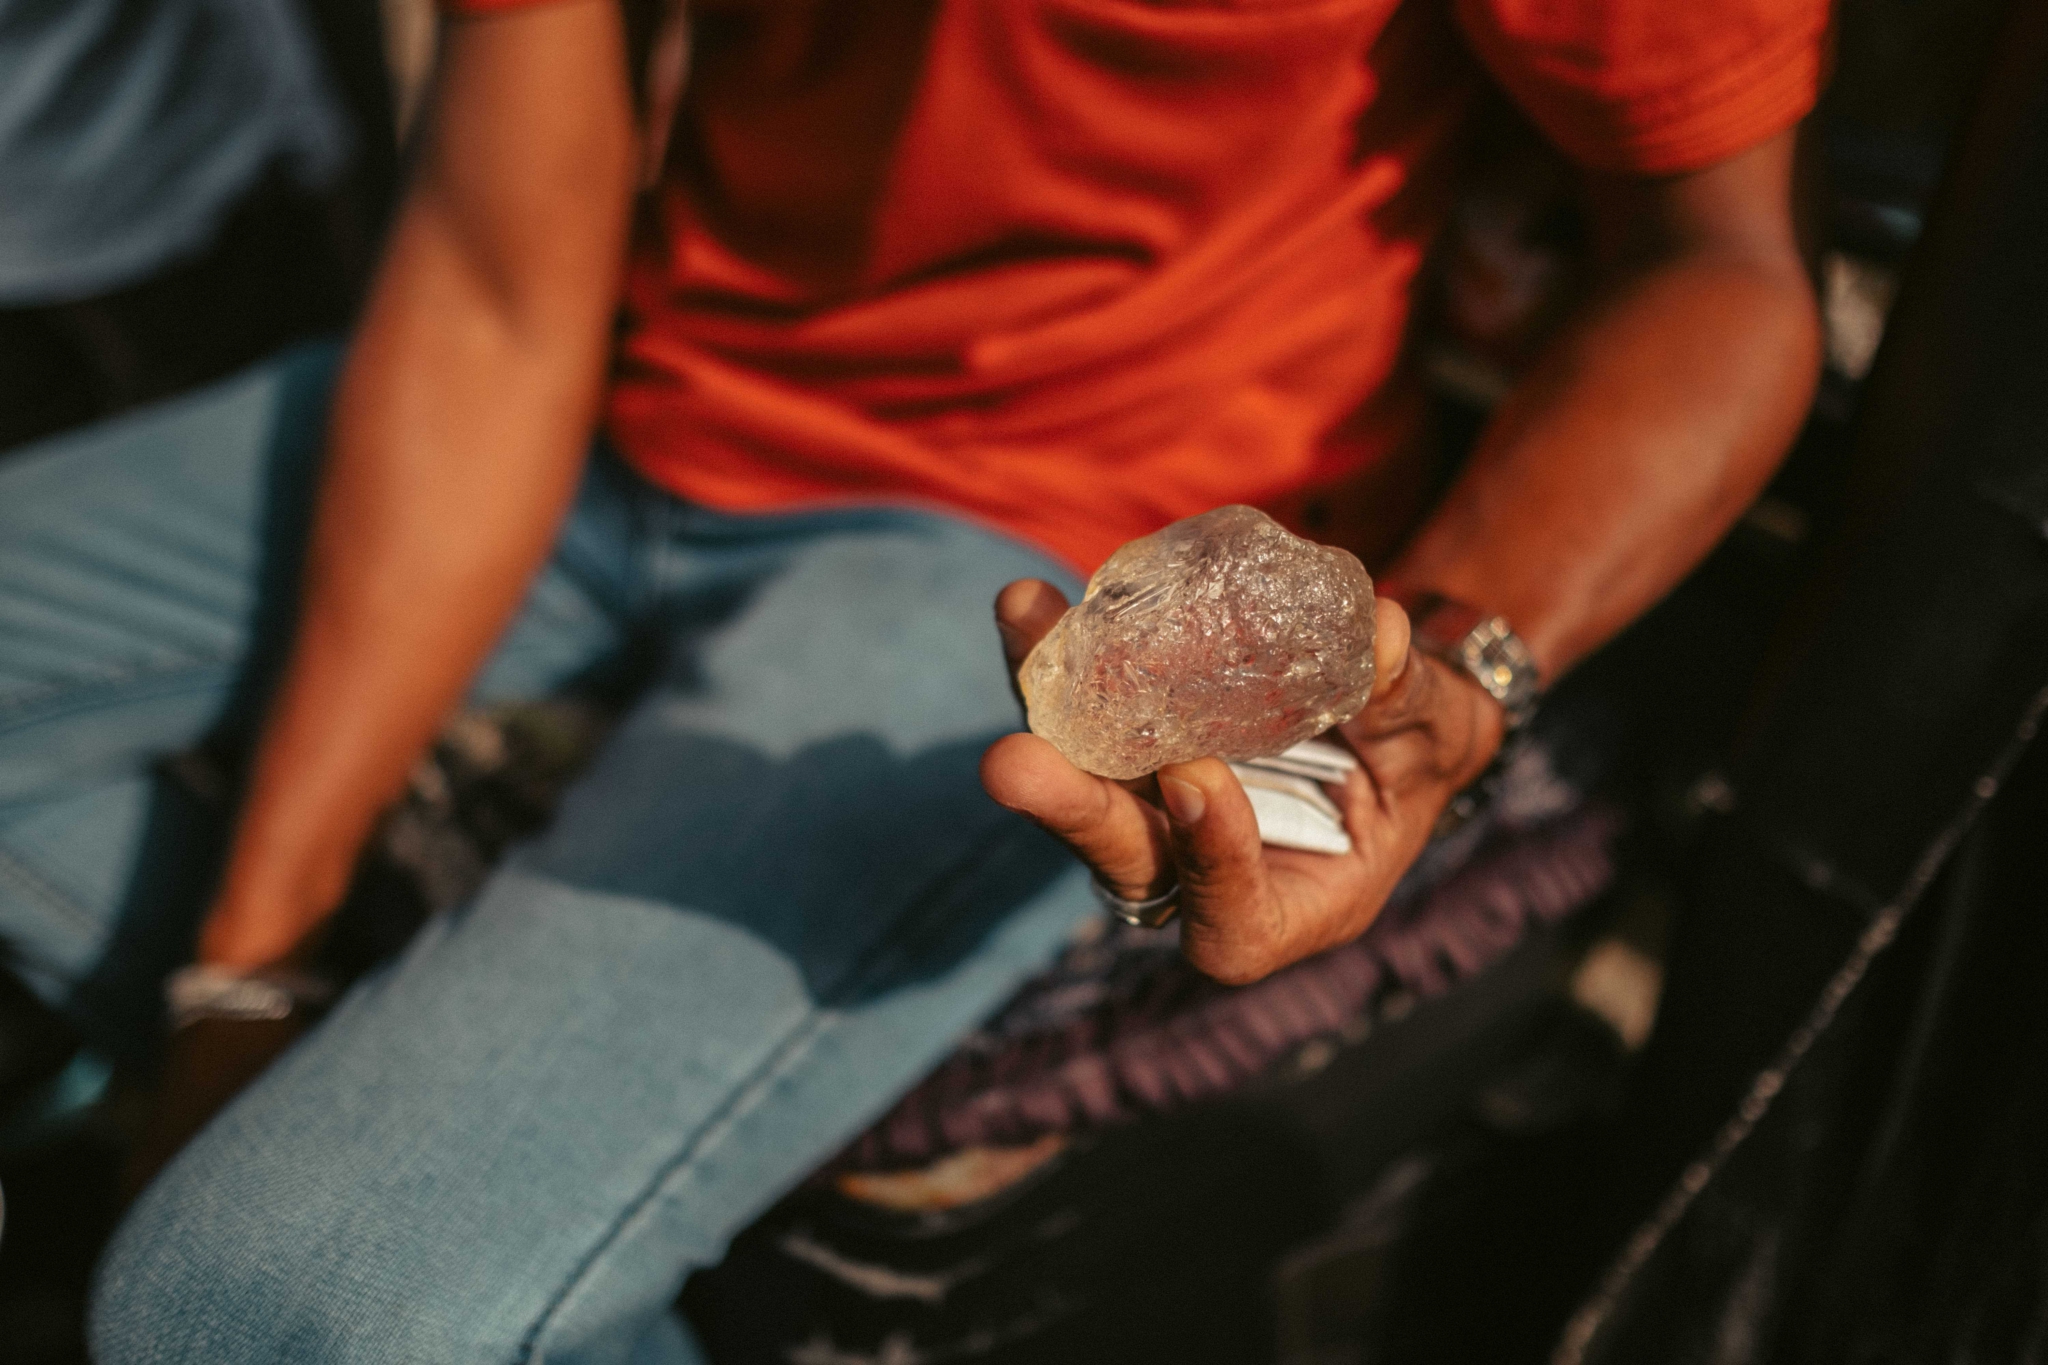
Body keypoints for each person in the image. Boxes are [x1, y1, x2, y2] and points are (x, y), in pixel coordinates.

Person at [0, 0, 1822, 1358]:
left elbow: (1722, 271)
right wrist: (251, 968)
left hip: (1037, 562)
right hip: (613, 402)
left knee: (243, 1305)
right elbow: (494, 280)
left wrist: (1454, 671)